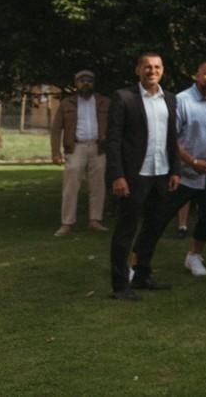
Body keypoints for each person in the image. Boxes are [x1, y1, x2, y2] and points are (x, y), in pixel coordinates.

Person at [132, 61, 206, 279]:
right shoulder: (182, 101)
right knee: (158, 219)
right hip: (182, 173)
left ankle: (194, 255)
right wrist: (191, 161)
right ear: (197, 75)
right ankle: (135, 264)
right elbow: (171, 138)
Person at [106, 52, 181, 301]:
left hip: (161, 173)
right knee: (126, 230)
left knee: (154, 227)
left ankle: (142, 274)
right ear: (138, 70)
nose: (152, 71)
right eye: (147, 67)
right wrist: (117, 175)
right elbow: (114, 140)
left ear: (163, 70)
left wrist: (175, 170)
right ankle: (119, 285)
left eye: (157, 67)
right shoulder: (124, 97)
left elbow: (172, 139)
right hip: (133, 175)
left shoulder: (169, 99)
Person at [50, 69, 110, 236]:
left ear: (93, 83)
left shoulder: (105, 102)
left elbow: (115, 126)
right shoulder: (66, 103)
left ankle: (95, 220)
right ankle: (67, 223)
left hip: (98, 148)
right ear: (76, 84)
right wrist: (55, 152)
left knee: (98, 186)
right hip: (75, 148)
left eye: (89, 80)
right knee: (70, 186)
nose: (85, 83)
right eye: (82, 80)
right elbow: (56, 129)